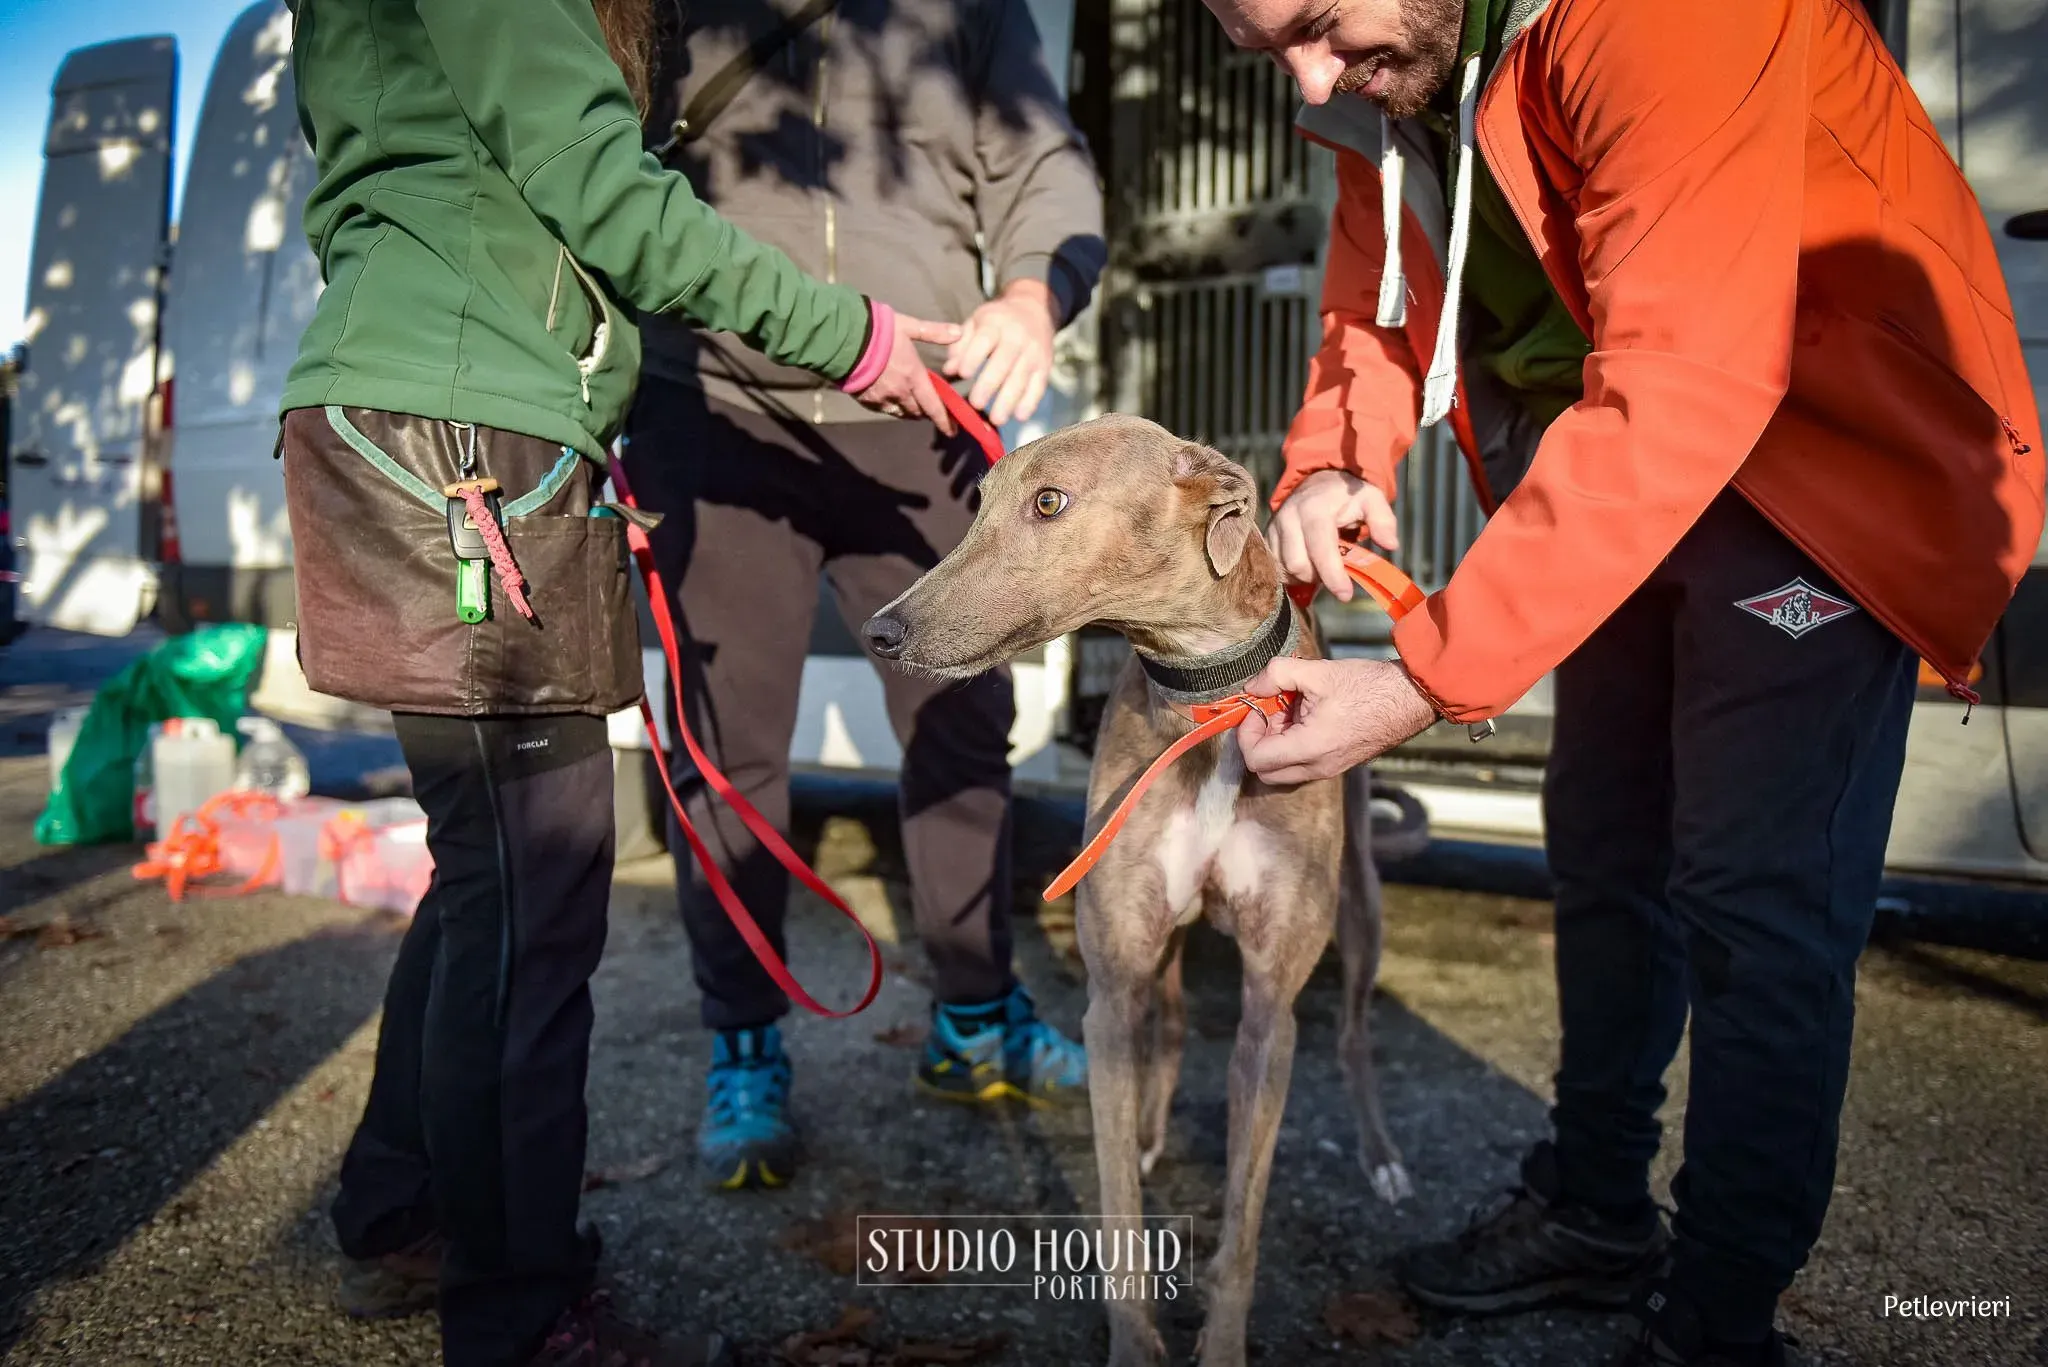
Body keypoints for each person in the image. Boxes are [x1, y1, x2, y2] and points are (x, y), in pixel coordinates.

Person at [1195, 0, 2044, 1364]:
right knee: (1604, 845)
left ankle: (1717, 1315)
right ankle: (1596, 1206)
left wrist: (1419, 677)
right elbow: (1375, 296)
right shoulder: (1388, 60)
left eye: (1316, 23)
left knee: (1755, 898)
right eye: (1267, 52)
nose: (1310, 76)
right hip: (1596, 462)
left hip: (1813, 460)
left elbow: (1688, 375)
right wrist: (1334, 460)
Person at [278, 1, 960, 1362]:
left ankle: (397, 1208)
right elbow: (603, 193)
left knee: (488, 879)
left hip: (420, 414)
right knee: (535, 894)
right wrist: (854, 338)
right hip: (465, 437)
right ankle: (520, 1311)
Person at [622, 0, 1107, 1190]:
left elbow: (1044, 159)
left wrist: (1035, 293)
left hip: (922, 415)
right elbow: (600, 162)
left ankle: (975, 1018)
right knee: (725, 752)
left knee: (961, 727)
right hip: (717, 406)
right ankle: (744, 1047)